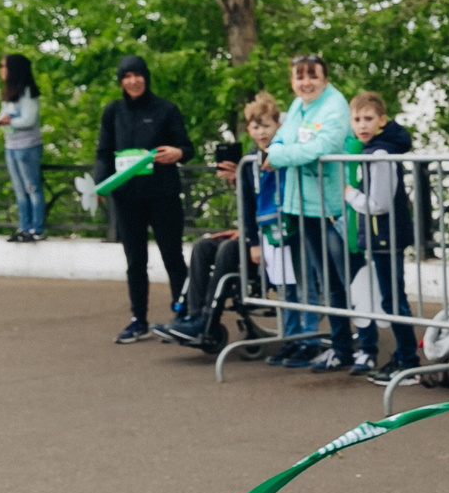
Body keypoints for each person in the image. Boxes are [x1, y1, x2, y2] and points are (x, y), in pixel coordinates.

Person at [161, 93, 282, 352]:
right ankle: (192, 316)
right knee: (204, 246)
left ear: (277, 126)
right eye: (256, 127)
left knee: (228, 249)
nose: (262, 132)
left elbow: (273, 203)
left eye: (267, 126)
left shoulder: (281, 158)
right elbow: (249, 204)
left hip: (275, 237)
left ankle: (207, 322)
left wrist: (252, 240)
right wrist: (237, 183)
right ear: (249, 130)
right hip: (255, 233)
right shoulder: (250, 161)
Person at [266, 52, 360, 372]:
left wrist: (278, 156)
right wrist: (280, 151)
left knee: (347, 279)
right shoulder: (297, 106)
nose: (306, 82)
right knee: (327, 281)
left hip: (332, 207)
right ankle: (342, 347)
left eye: (312, 75)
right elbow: (280, 139)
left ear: (325, 78)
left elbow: (322, 147)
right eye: (299, 76)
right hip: (303, 206)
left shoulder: (335, 105)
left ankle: (363, 346)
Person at [97, 55, 193, 344]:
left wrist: (177, 154)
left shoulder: (165, 109)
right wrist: (99, 185)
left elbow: (188, 148)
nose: (133, 81)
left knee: (172, 257)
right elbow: (103, 152)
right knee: (135, 260)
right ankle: (138, 320)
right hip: (127, 198)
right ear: (121, 81)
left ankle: (183, 314)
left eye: (137, 75)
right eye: (126, 76)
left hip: (163, 195)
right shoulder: (113, 111)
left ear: (146, 77)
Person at [348, 92, 418, 373]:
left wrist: (350, 195)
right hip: (381, 235)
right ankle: (404, 356)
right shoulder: (373, 149)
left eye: (368, 119)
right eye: (357, 119)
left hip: (386, 235)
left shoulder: (380, 153)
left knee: (393, 299)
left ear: (381, 121)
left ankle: (408, 359)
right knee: (391, 297)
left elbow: (379, 203)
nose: (362, 125)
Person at [0, 53, 46, 242]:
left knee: (32, 187)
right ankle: (24, 227)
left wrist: (9, 122)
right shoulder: (8, 94)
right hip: (11, 146)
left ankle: (37, 228)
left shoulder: (27, 92)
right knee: (19, 189)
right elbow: (3, 116)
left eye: (4, 66)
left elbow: (29, 119)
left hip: (28, 146)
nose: (1, 71)